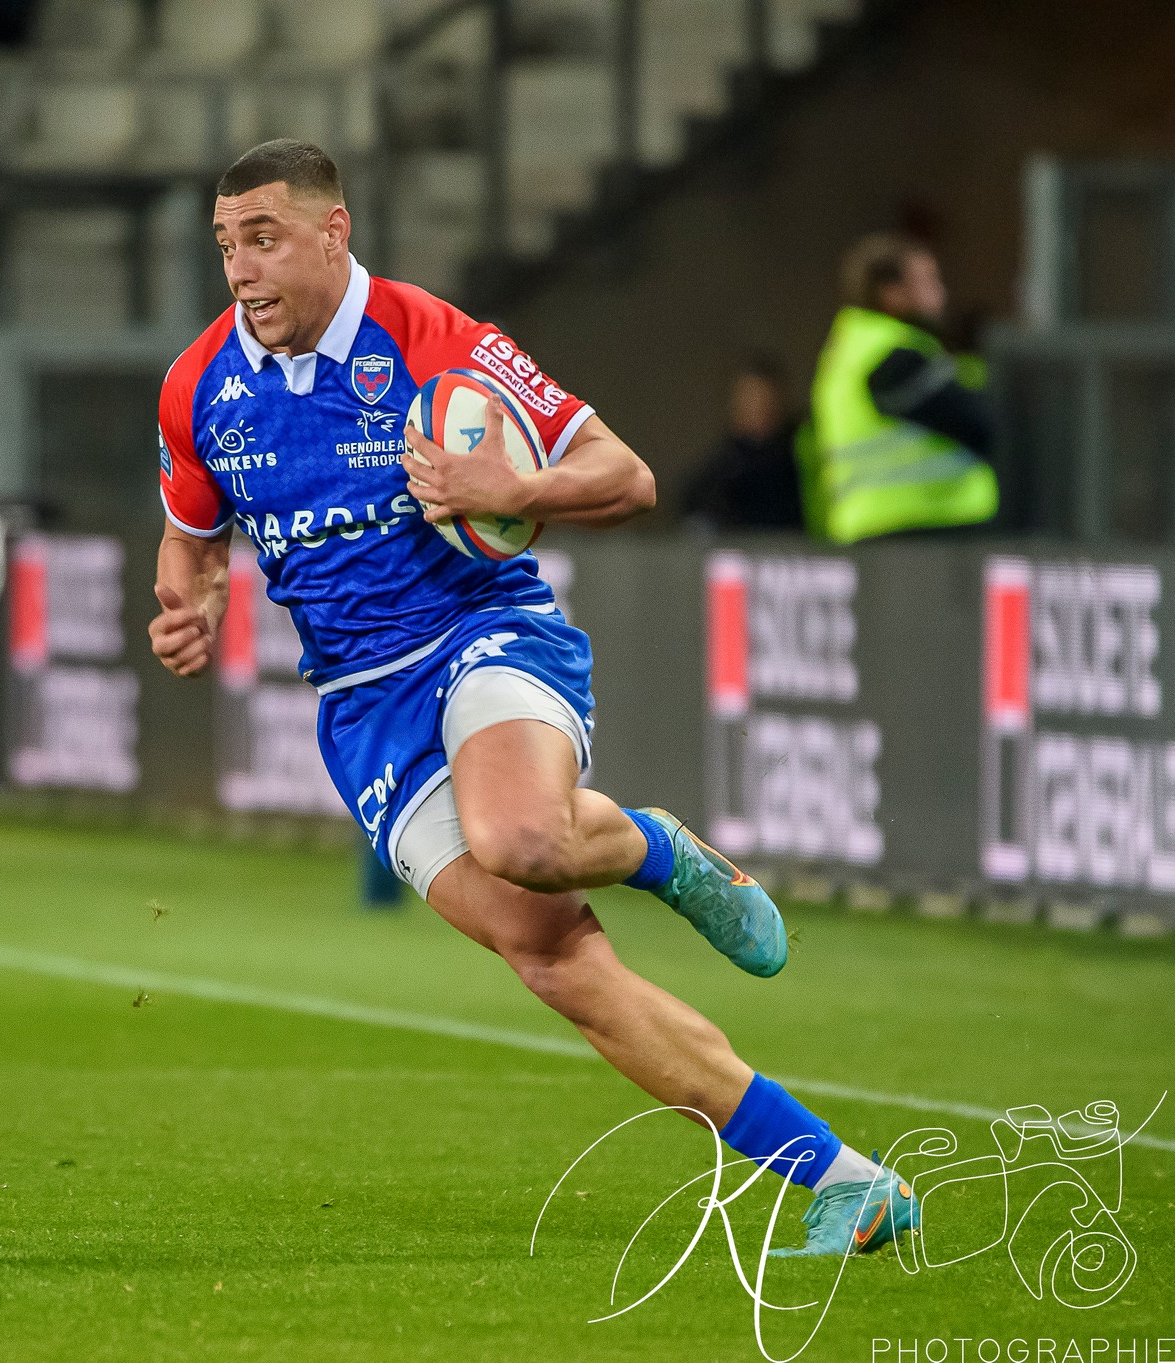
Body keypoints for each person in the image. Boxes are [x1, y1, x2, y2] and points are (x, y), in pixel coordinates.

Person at [149, 140, 916, 1258]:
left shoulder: (434, 343)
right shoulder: (197, 385)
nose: (240, 270)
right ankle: (844, 1179)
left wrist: (514, 488)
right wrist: (187, 603)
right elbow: (189, 540)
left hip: (482, 635)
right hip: (359, 707)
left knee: (520, 835)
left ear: (333, 231)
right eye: (225, 245)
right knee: (554, 961)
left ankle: (652, 848)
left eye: (261, 238)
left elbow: (626, 474)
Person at [799, 231, 996, 543]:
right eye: (929, 282)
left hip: (881, 530)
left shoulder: (853, 347)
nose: (941, 294)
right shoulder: (892, 359)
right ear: (892, 293)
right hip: (919, 530)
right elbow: (980, 423)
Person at [681, 355, 803, 531]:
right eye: (749, 400)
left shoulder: (802, 466)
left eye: (764, 400)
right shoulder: (712, 481)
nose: (757, 410)